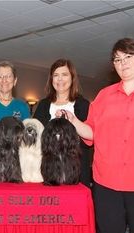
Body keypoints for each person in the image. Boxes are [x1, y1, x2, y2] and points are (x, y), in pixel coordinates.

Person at [59, 38, 134, 233]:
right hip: (106, 183)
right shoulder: (104, 95)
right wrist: (73, 122)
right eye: (117, 60)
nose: (123, 64)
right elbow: (92, 132)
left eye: (128, 57)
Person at [33, 58, 92, 187]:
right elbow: (36, 137)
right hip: (47, 174)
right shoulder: (43, 105)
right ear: (51, 80)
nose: (60, 79)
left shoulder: (83, 105)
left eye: (64, 75)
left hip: (77, 174)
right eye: (56, 75)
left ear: (72, 78)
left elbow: (89, 140)